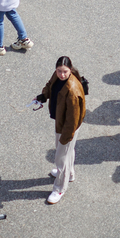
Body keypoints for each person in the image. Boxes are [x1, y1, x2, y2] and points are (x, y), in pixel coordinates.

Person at [31, 56, 86, 202]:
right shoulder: (57, 77)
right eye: (59, 71)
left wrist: (66, 136)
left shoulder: (73, 90)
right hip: (62, 122)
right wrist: (43, 96)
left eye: (65, 72)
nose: (62, 74)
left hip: (68, 127)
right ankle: (70, 174)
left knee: (61, 157)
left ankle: (60, 189)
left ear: (70, 70)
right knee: (67, 152)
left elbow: (73, 119)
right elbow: (50, 86)